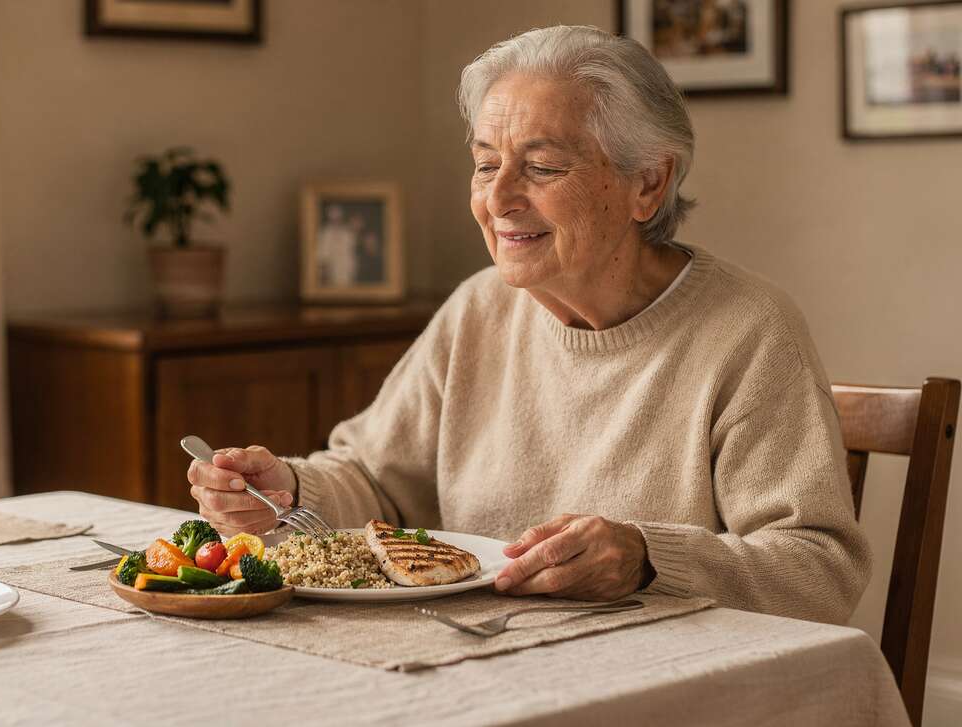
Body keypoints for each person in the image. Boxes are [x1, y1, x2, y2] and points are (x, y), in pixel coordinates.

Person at [187, 25, 869, 624]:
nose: (500, 198)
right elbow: (376, 480)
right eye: (486, 164)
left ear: (648, 184)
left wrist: (648, 558)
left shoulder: (747, 330)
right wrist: (287, 491)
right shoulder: (479, 308)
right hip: (481, 669)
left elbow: (820, 570)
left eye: (542, 166)